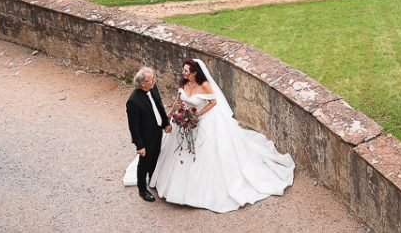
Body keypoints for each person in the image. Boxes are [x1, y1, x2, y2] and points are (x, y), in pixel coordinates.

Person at [125, 58, 294, 213]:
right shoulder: (179, 85)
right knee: (166, 153)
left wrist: (197, 115)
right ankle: (149, 184)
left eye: (186, 71)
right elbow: (178, 102)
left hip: (202, 122)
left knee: (205, 154)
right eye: (183, 70)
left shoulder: (205, 85)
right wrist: (171, 117)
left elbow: (213, 102)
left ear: (195, 72)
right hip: (183, 121)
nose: (183, 73)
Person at [124, 67, 173, 202]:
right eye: (150, 80)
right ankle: (142, 190)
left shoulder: (153, 87)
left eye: (153, 78)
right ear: (142, 83)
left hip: (157, 131)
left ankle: (153, 180)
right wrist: (139, 145)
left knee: (156, 157)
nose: (153, 81)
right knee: (144, 162)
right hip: (146, 137)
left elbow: (159, 106)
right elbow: (133, 127)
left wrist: (165, 123)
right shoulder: (133, 101)